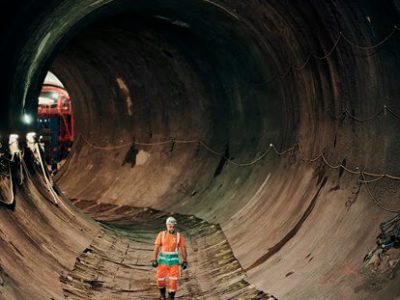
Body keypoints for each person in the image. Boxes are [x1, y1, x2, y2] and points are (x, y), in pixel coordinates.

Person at [152, 216, 188, 300]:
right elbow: (156, 247)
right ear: (166, 225)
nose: (172, 228)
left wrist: (185, 260)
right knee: (160, 279)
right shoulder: (161, 235)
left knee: (173, 280)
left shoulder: (179, 236)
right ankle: (162, 295)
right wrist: (154, 259)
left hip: (174, 263)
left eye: (173, 226)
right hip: (162, 262)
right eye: (170, 226)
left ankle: (171, 296)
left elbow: (183, 249)